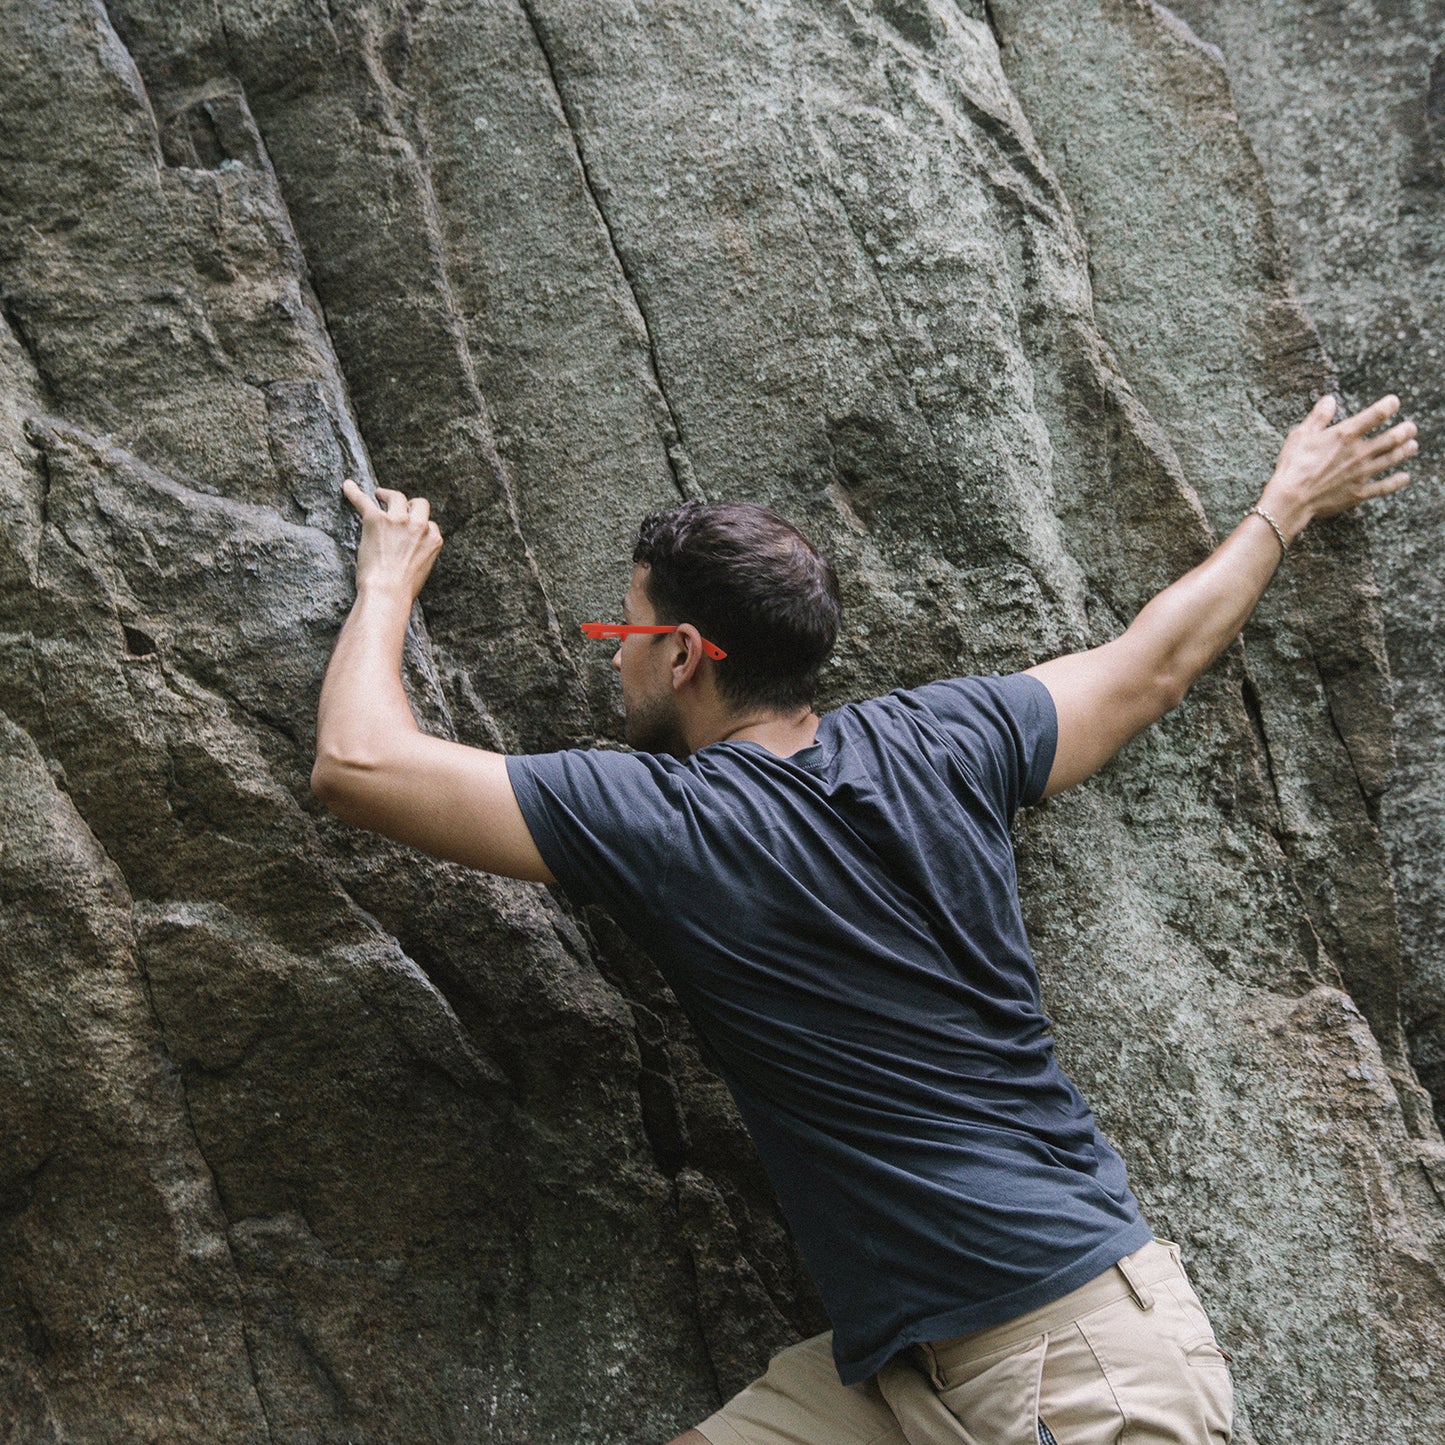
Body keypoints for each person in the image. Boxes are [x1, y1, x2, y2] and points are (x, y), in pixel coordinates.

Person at [311, 393, 1417, 1445]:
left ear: (688, 652)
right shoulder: (950, 735)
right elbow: (1152, 663)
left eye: (626, 625)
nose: (614, 648)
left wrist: (385, 585)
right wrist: (1285, 503)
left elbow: (359, 763)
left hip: (1071, 1359)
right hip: (902, 1368)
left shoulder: (666, 820)